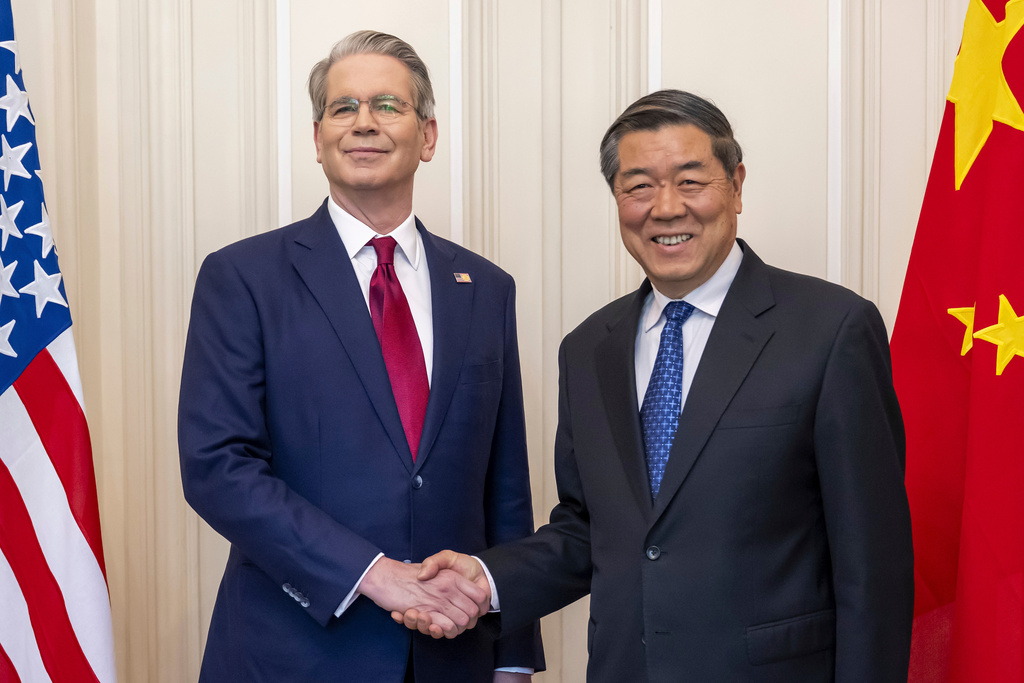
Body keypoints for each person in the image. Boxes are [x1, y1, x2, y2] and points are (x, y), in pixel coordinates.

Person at [403, 90, 914, 682]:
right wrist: (486, 580)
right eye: (639, 186)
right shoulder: (590, 348)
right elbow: (589, 530)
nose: (666, 208)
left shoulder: (831, 329)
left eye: (692, 181)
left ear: (737, 185)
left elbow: (872, 565)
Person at [178, 30, 542, 682]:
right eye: (343, 108)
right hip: (289, 653)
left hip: (453, 658)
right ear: (318, 138)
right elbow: (217, 467)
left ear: (428, 136)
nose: (363, 123)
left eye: (386, 105)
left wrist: (513, 655)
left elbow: (505, 486)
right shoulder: (243, 277)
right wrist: (373, 574)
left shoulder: (486, 289)